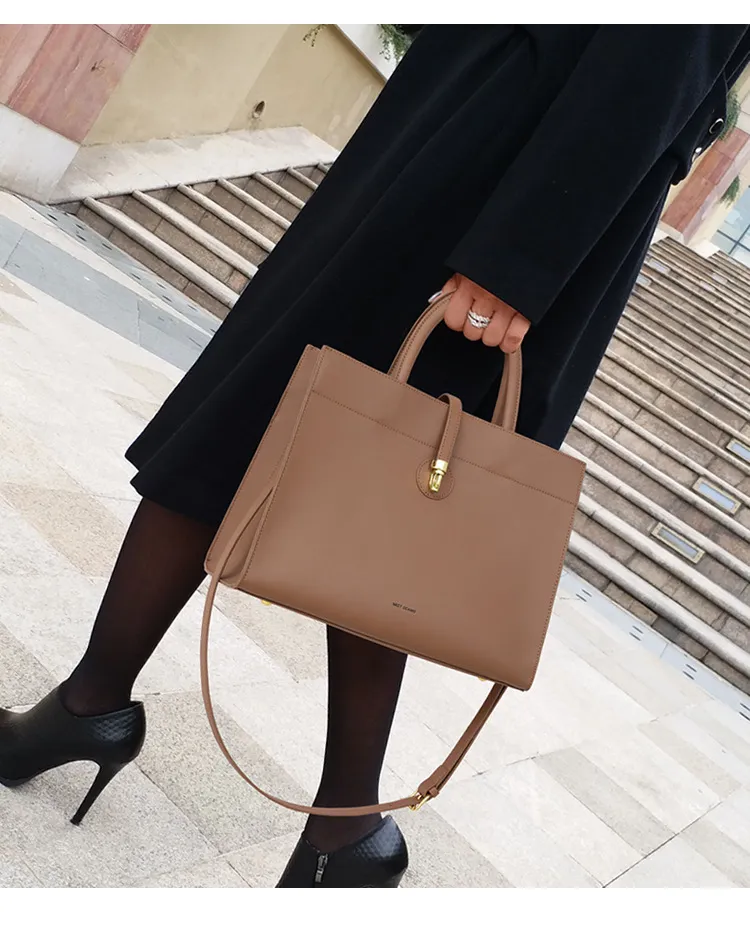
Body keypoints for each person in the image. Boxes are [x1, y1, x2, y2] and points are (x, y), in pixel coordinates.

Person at [2, 25, 750, 888]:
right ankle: (109, 707)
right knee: (250, 420)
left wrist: (518, 259)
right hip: (457, 139)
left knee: (391, 497)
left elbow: (667, 41)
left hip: (499, 178)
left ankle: (334, 816)